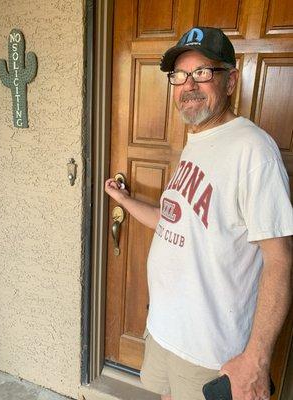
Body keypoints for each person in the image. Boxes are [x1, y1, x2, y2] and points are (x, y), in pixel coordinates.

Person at [105, 26, 293, 400]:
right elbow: (173, 221)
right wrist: (125, 201)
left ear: (230, 81)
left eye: (203, 72)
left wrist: (256, 359)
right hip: (163, 329)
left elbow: (279, 260)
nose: (189, 84)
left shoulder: (253, 150)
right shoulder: (197, 141)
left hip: (209, 350)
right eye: (180, 75)